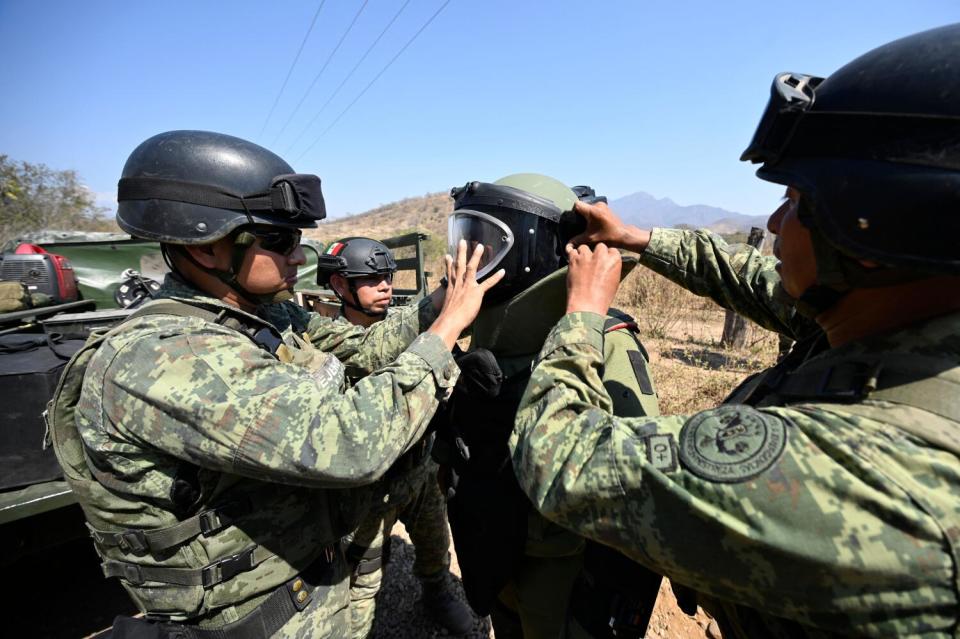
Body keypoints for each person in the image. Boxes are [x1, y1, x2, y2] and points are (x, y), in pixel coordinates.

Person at [509, 24, 960, 638]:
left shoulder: (866, 473)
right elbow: (758, 278)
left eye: (798, 200)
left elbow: (561, 460)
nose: (774, 222)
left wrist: (583, 315)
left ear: (878, 229)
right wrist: (639, 238)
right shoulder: (912, 316)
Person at [48, 130, 502, 639]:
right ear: (207, 250)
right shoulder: (166, 356)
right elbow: (349, 446)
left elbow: (366, 350)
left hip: (310, 584)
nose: (296, 257)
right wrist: (445, 333)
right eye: (279, 241)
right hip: (260, 620)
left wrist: (441, 299)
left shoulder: (264, 316)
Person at [434, 174, 664, 639]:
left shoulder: (609, 344)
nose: (471, 259)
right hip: (497, 546)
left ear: (536, 250)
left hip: (562, 565)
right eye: (467, 238)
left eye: (489, 244)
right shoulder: (488, 339)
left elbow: (636, 481)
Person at [316, 237, 474, 637]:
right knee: (363, 579)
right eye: (371, 279)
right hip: (369, 492)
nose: (386, 285)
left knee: (435, 546)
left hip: (418, 471)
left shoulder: (404, 323)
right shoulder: (328, 348)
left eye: (387, 276)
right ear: (339, 286)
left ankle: (436, 593)